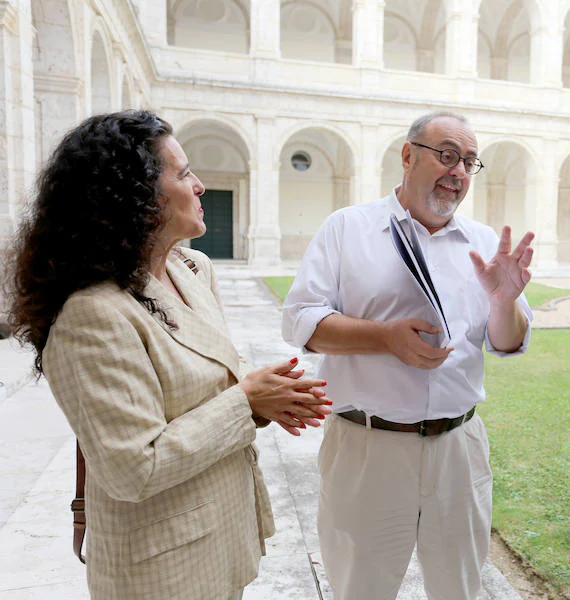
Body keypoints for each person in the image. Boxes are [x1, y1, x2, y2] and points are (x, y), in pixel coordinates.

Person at [4, 110, 332, 600]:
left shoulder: (190, 268)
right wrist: (246, 401)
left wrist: (270, 395)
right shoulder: (91, 314)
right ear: (132, 196)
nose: (199, 185)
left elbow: (210, 366)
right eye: (181, 174)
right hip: (158, 568)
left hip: (219, 534)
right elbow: (134, 467)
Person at [282, 111, 534, 599]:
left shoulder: (483, 243)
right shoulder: (347, 229)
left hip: (457, 449)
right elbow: (300, 321)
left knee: (459, 589)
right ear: (407, 155)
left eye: (468, 161)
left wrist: (505, 301)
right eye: (446, 155)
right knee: (360, 589)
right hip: (367, 447)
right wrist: (383, 337)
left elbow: (507, 342)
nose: (458, 171)